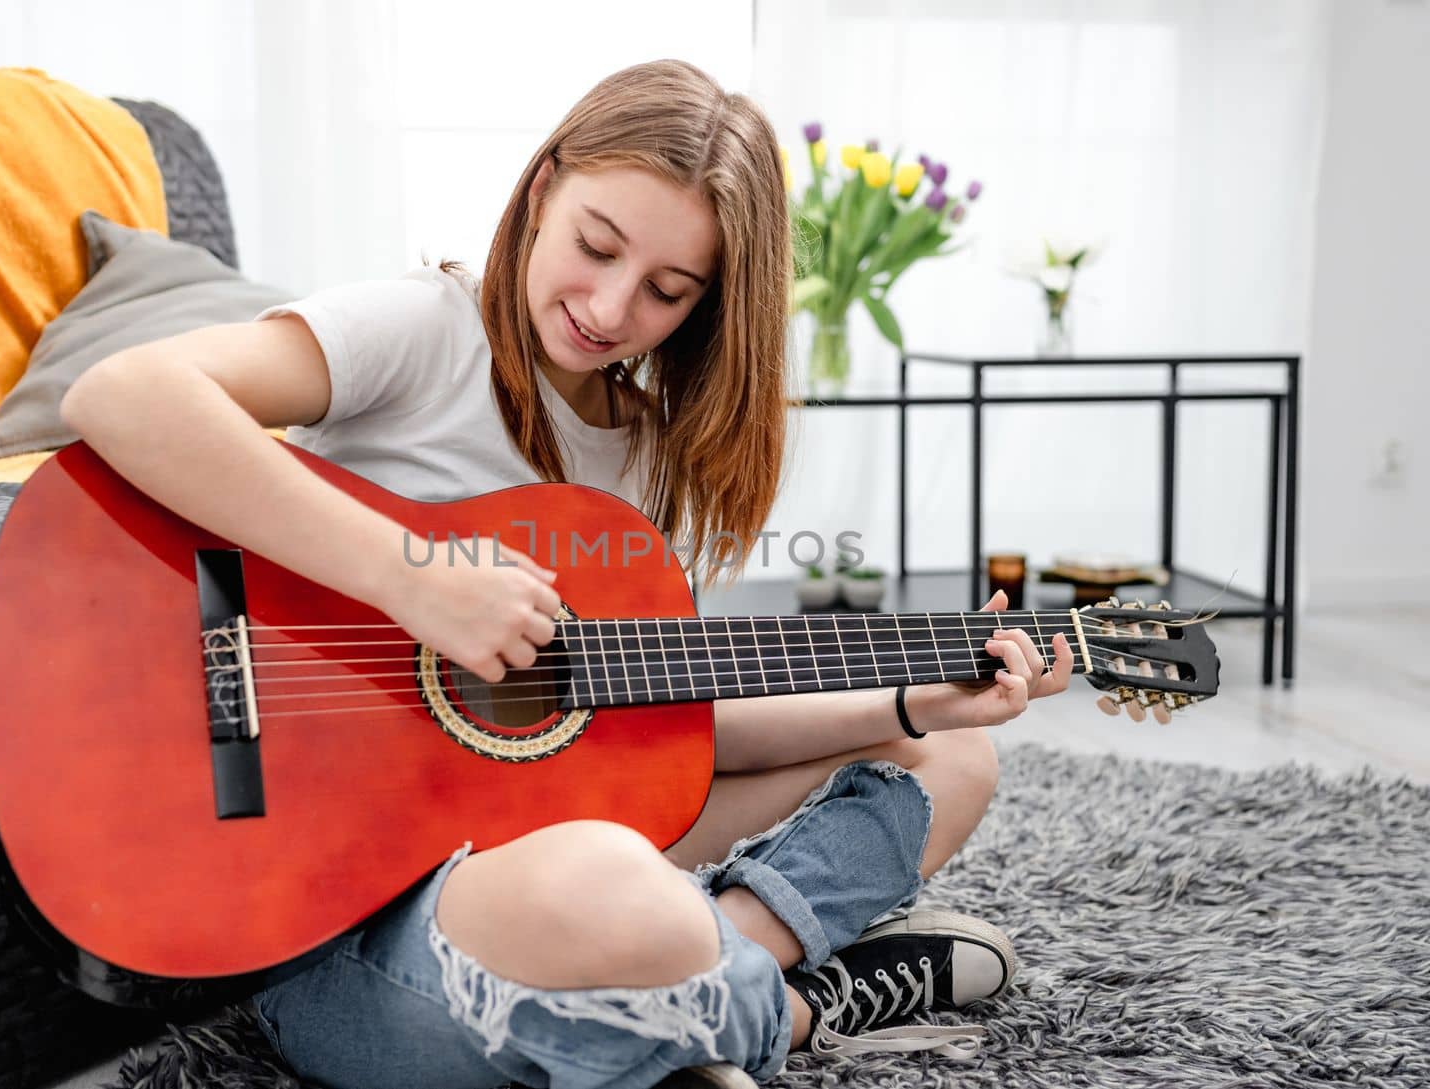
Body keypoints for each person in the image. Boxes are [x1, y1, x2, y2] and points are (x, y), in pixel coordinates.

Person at [61, 58, 1073, 1089]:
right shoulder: (425, 334)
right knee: (615, 889)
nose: (607, 305)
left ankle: (693, 982)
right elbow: (123, 392)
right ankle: (781, 1006)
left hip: (541, 872)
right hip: (339, 931)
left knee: (946, 760)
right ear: (543, 189)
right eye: (596, 245)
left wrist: (908, 698)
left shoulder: (640, 457)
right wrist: (410, 576)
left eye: (665, 291)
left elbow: (660, 724)